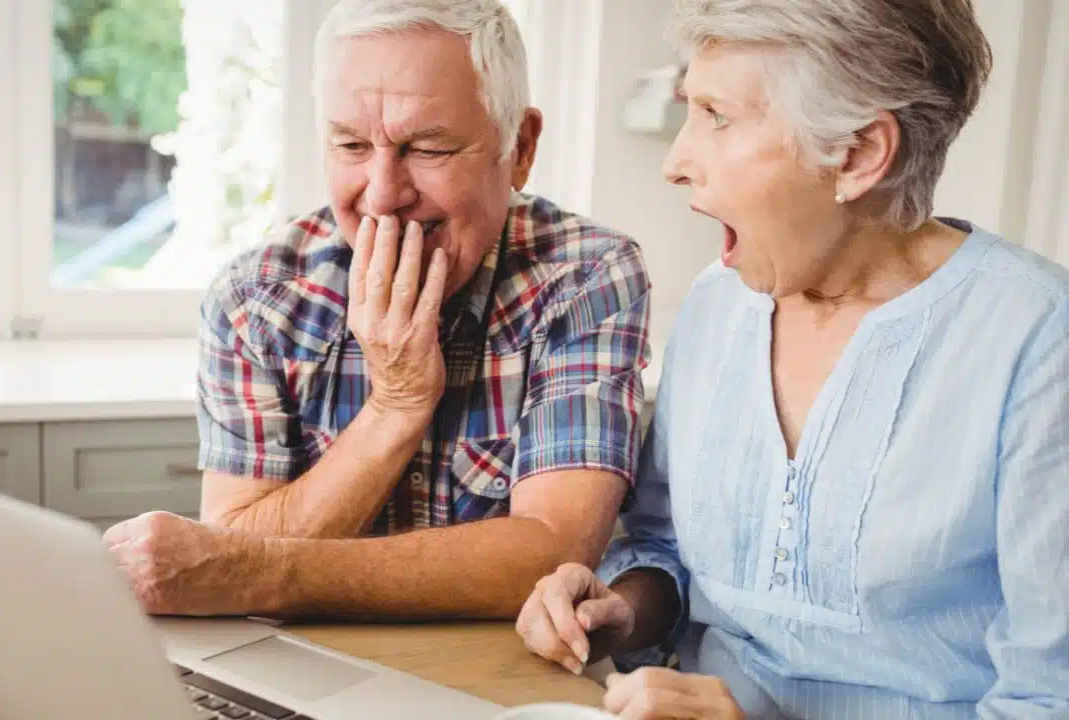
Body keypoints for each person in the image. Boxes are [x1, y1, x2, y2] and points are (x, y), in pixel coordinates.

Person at [516, 0, 1069, 718]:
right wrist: (619, 610)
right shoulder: (720, 305)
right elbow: (664, 543)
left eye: (716, 115)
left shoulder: (1038, 341)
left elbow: (1049, 698)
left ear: (861, 153)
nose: (676, 162)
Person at [101, 0, 654, 621]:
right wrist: (396, 406)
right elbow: (227, 553)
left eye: (429, 149)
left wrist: (264, 569)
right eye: (352, 144)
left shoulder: (586, 276)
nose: (384, 196)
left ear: (519, 148)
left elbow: (554, 550)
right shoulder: (256, 298)